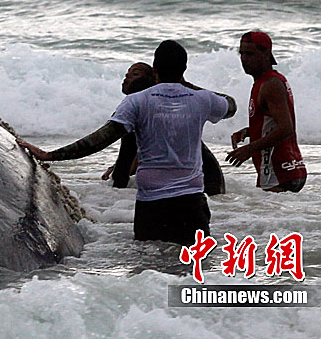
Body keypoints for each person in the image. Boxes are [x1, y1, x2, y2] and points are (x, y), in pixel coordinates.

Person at [19, 40, 236, 245]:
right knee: (193, 265)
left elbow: (99, 140)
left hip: (152, 206)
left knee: (150, 267)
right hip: (192, 205)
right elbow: (230, 105)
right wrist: (185, 85)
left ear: (155, 69)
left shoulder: (136, 101)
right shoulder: (202, 99)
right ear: (184, 69)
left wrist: (50, 155)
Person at [104, 63, 226, 196]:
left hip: (203, 184)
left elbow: (123, 167)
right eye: (128, 73)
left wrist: (111, 196)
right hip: (202, 181)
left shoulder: (142, 111)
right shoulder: (163, 110)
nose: (127, 76)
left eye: (135, 74)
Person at [226, 32, 307, 193]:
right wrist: (250, 131)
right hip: (288, 170)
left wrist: (249, 149)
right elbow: (274, 123)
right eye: (241, 54)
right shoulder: (265, 81)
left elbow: (286, 128)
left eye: (249, 54)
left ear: (266, 54)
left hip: (280, 172)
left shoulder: (271, 84)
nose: (244, 59)